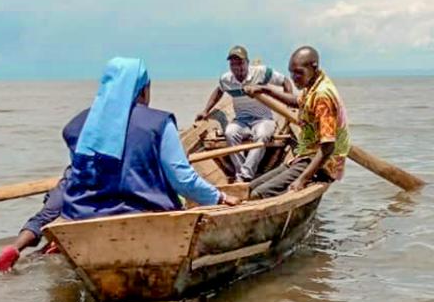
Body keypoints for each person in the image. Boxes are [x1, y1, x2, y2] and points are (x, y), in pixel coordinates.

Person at [62, 57, 239, 220]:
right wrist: (218, 197)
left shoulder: (77, 125)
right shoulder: (159, 123)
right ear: (143, 89)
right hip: (146, 215)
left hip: (80, 215)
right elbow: (182, 180)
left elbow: (78, 176)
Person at [0, 109, 90, 272]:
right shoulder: (123, 119)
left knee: (44, 217)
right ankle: (48, 250)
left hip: (72, 178)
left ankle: (16, 248)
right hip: (97, 183)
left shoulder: (81, 120)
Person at [245, 46, 350, 199]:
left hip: (321, 165)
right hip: (305, 155)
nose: (294, 78)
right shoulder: (313, 85)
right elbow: (298, 102)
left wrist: (302, 179)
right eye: (291, 73)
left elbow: (328, 147)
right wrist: (266, 89)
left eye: (299, 73)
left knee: (258, 194)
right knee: (251, 186)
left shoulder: (322, 96)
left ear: (314, 67)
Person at [195, 45, 292, 182]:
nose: (237, 68)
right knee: (230, 133)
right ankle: (242, 172)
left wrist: (289, 106)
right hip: (241, 120)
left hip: (263, 119)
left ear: (247, 62)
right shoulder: (226, 79)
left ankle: (244, 175)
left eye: (240, 63)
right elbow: (218, 92)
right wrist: (206, 111)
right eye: (233, 64)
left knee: (263, 135)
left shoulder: (262, 72)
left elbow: (285, 81)